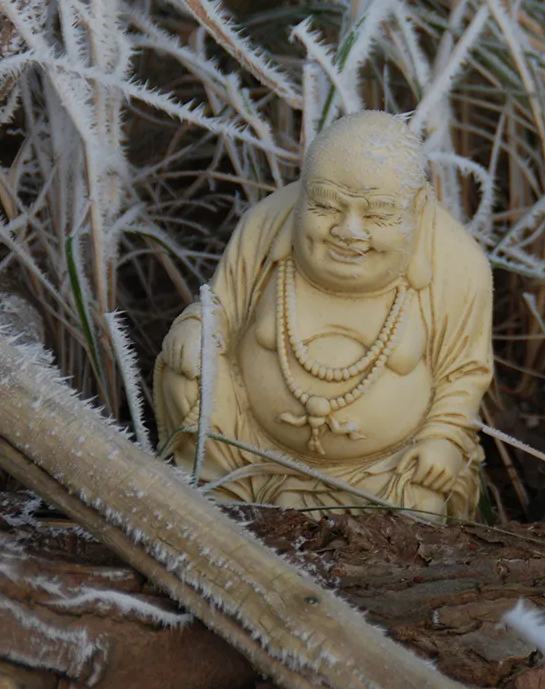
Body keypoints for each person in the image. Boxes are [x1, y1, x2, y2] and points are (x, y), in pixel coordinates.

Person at [153, 111, 493, 518]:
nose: (348, 230)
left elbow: (464, 371)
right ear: (303, 196)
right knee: (188, 376)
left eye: (376, 214)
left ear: (418, 205)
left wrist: (445, 438)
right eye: (326, 205)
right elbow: (222, 306)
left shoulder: (458, 262)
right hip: (248, 454)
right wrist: (196, 326)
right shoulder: (265, 223)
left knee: (422, 497)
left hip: (382, 474)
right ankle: (220, 505)